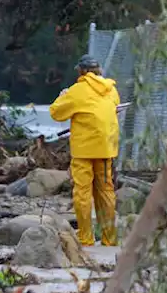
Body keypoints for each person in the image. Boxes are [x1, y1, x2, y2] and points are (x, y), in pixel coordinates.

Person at [49, 54, 121, 247]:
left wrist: (63, 96)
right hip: (106, 148)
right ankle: (110, 238)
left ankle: (86, 238)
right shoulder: (111, 90)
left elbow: (56, 113)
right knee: (106, 191)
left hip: (83, 151)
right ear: (99, 71)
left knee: (82, 192)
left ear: (81, 71)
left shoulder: (77, 90)